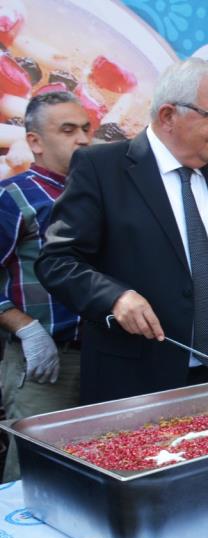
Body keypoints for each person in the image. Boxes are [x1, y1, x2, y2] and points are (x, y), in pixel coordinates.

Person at [36, 58, 208, 403]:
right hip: (136, 381)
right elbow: (58, 261)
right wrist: (114, 297)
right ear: (169, 115)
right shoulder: (102, 168)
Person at [0, 92, 91, 482]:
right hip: (43, 363)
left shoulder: (95, 195)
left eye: (86, 129)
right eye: (68, 130)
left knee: (89, 468)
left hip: (102, 357)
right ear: (35, 142)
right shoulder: (13, 196)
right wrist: (25, 327)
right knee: (35, 475)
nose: (83, 139)